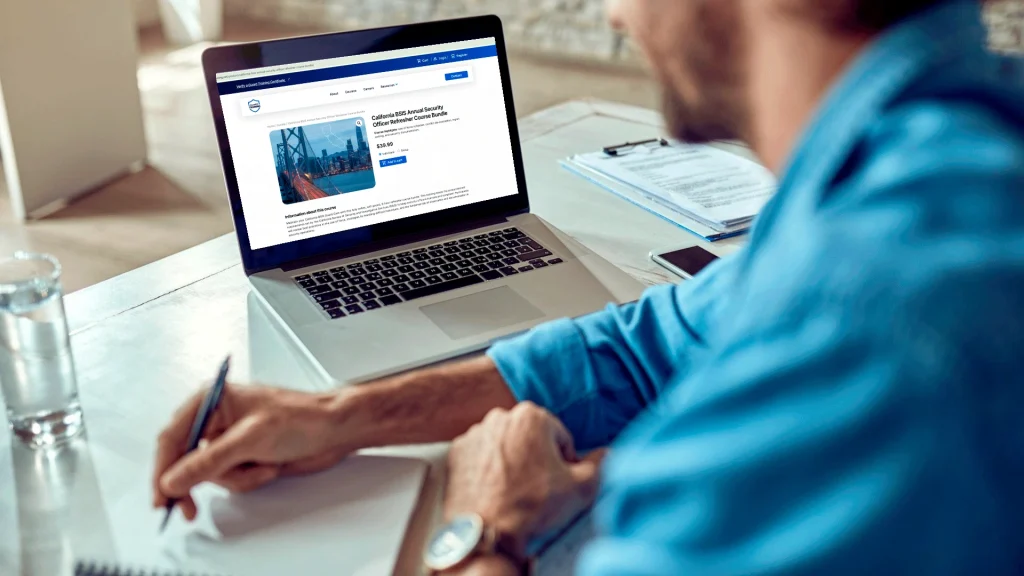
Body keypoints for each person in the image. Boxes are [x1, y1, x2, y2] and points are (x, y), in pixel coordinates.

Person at [153, 0, 1024, 574]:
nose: (616, 15)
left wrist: (480, 534)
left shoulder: (875, 318)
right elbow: (649, 347)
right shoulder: (918, 165)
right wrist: (348, 415)